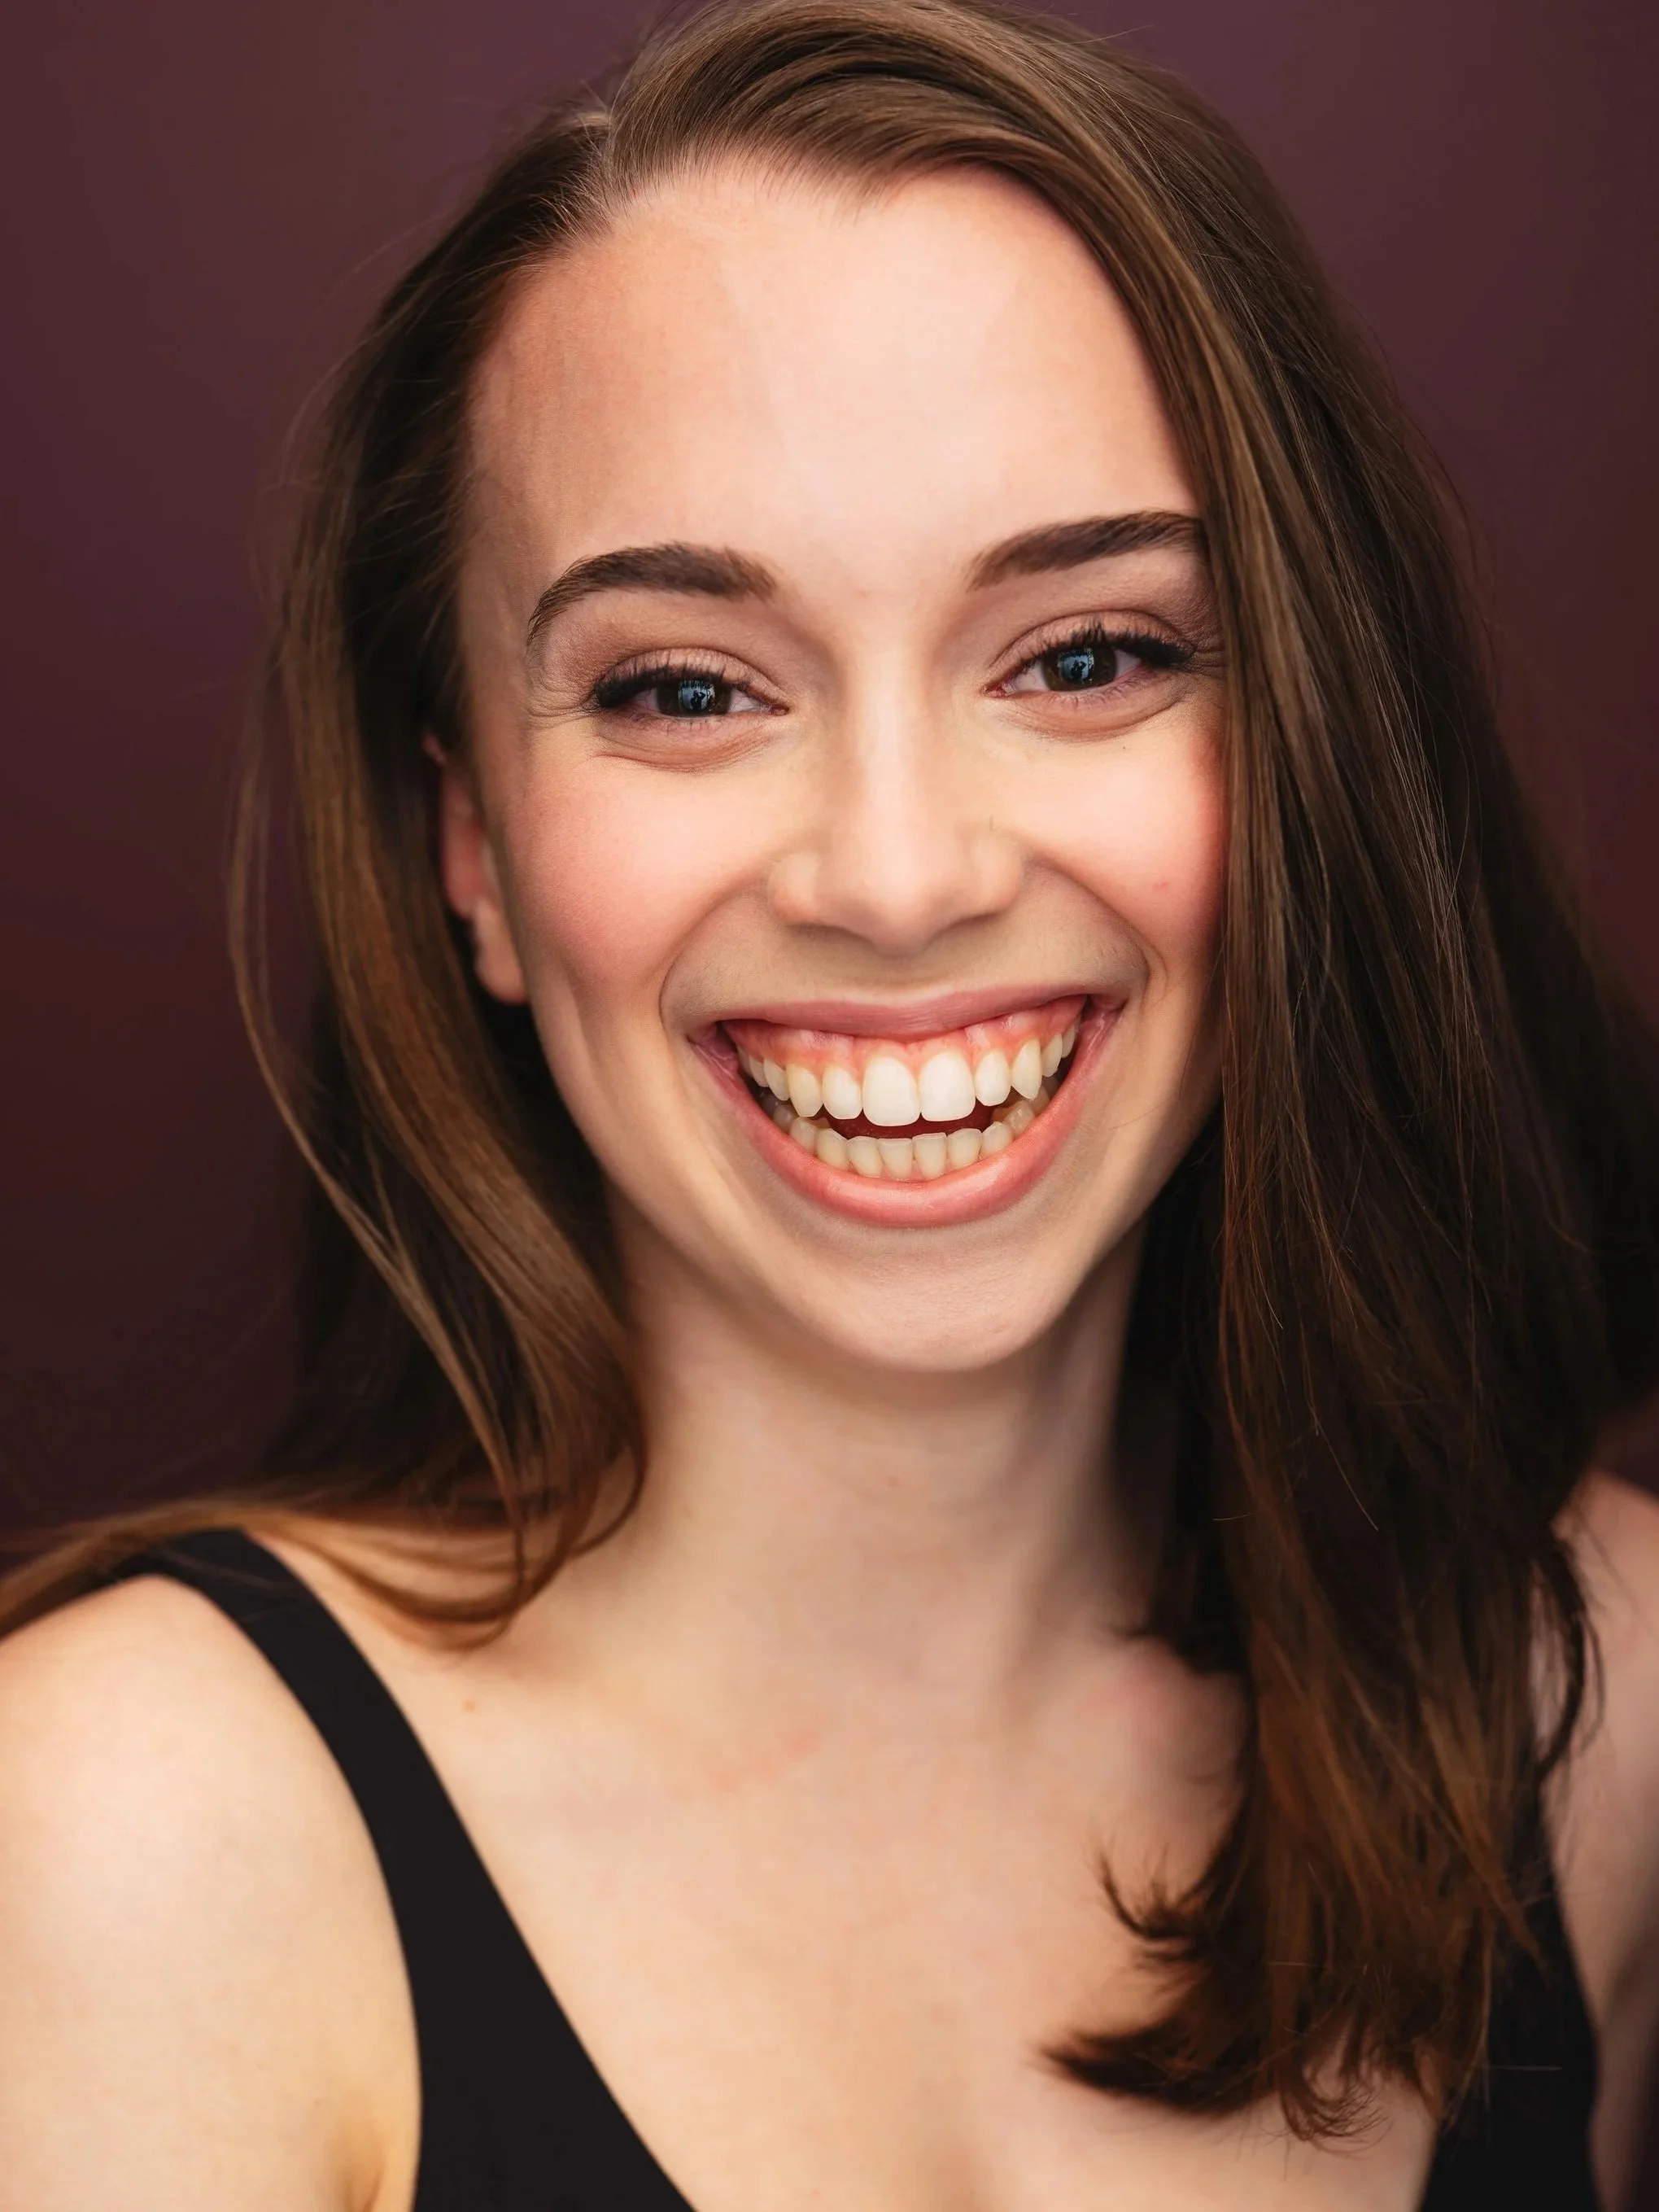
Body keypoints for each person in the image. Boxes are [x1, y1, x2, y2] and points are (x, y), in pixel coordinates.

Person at [3, 0, 1658, 2204]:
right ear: (468, 846)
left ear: (1304, 755)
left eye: (1086, 654)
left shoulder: (1599, 1702)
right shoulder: (123, 1833)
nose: (896, 874)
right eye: (686, 687)